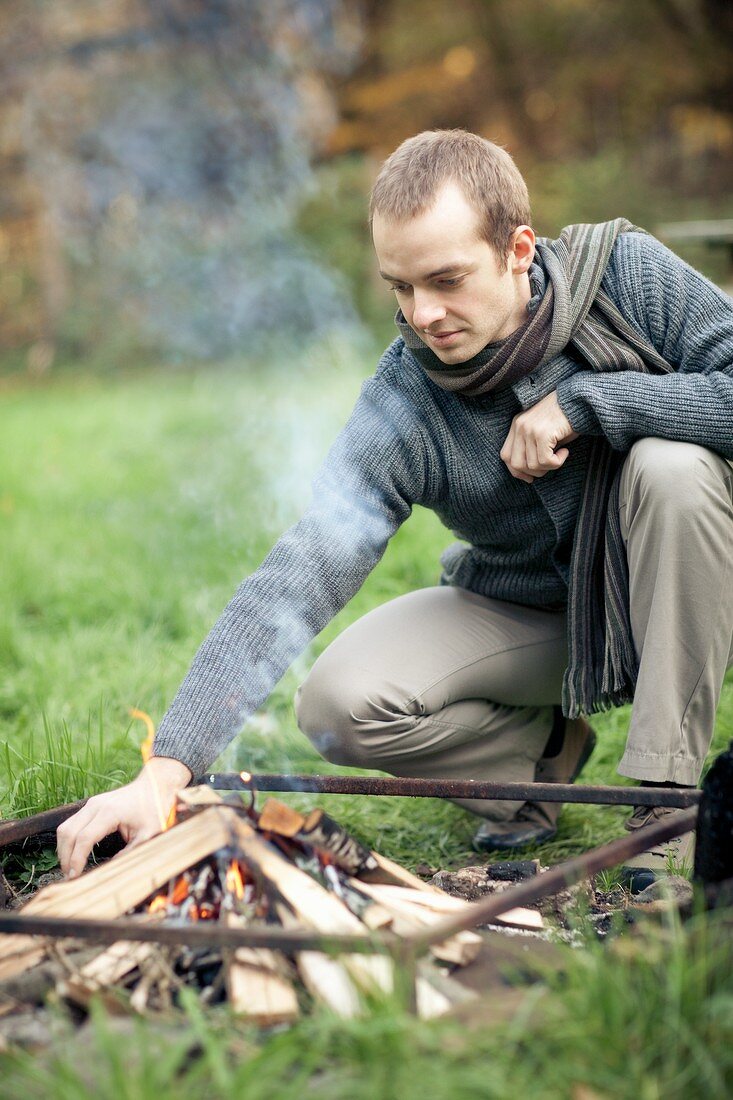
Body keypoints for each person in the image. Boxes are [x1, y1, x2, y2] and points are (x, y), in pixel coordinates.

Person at [57, 130, 733, 891]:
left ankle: (665, 808)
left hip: (690, 588)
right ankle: (540, 759)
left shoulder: (623, 275)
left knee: (672, 467)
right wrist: (167, 769)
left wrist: (589, 402)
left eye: (447, 280)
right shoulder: (405, 400)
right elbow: (302, 567)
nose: (425, 315)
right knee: (337, 704)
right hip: (535, 615)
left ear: (517, 248)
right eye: (401, 288)